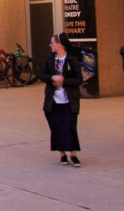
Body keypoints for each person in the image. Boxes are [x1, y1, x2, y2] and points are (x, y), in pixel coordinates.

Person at [40, 32, 83, 166]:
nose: (50, 45)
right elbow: (42, 75)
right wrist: (52, 78)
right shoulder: (49, 60)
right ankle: (62, 154)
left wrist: (64, 81)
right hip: (53, 100)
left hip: (69, 100)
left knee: (70, 126)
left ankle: (73, 154)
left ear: (60, 44)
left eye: (52, 43)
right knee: (57, 127)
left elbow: (79, 79)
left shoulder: (71, 60)